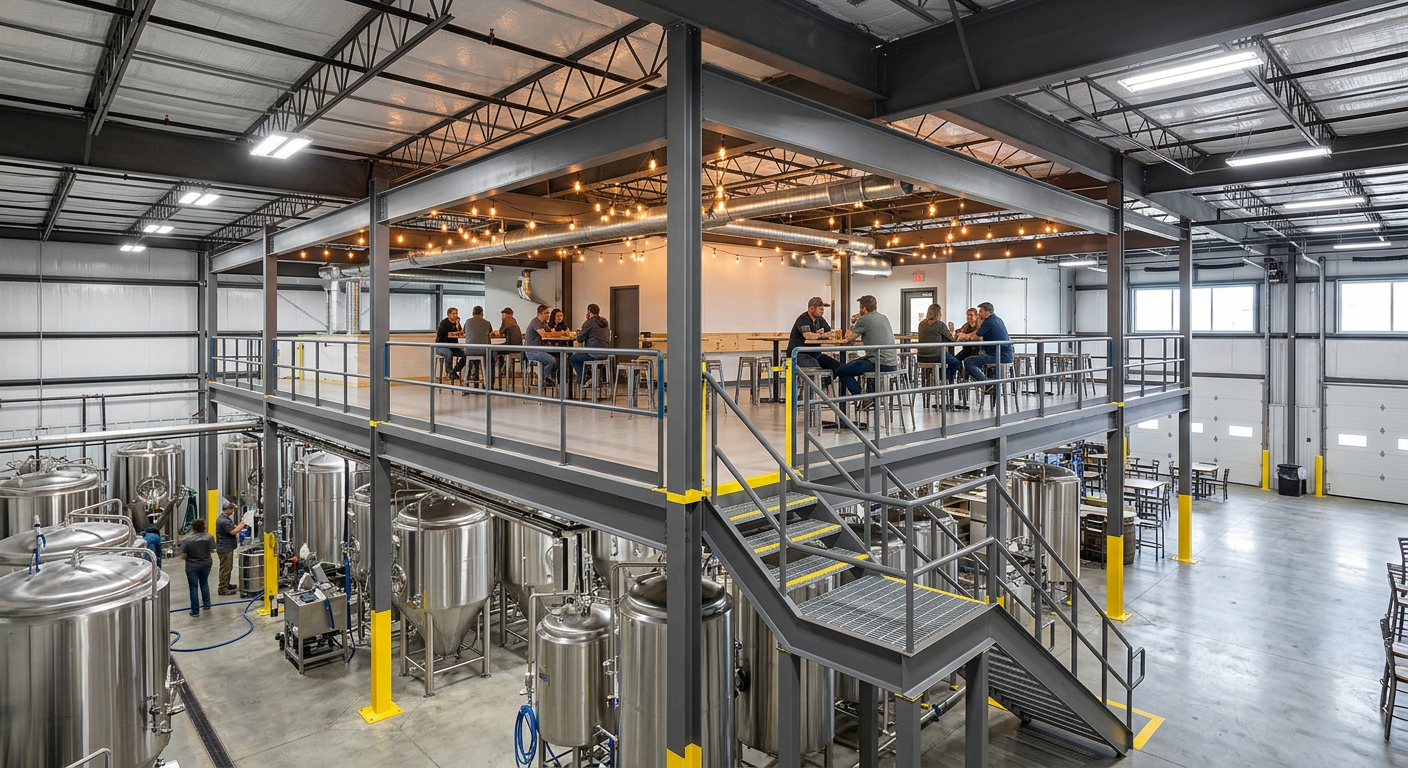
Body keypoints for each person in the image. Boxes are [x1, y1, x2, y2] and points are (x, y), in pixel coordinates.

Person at [835, 295, 898, 403]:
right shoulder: (883, 317)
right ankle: (871, 397)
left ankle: (862, 397)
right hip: (892, 363)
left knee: (841, 371)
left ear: (863, 308)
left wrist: (853, 323)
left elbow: (848, 338)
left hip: (878, 363)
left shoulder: (864, 319)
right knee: (866, 360)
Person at [787, 296, 841, 383]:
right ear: (812, 308)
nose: (822, 311)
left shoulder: (820, 319)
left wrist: (820, 334)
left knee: (836, 366)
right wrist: (820, 335)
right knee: (815, 368)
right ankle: (814, 390)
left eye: (823, 309)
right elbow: (808, 335)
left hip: (815, 353)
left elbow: (830, 333)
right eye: (820, 309)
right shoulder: (803, 319)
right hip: (798, 354)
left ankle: (822, 386)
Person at [963, 301, 1014, 383]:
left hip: (998, 356)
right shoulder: (997, 319)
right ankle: (991, 384)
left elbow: (976, 336)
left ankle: (986, 382)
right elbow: (978, 332)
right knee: (979, 357)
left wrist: (964, 336)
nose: (979, 314)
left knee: (968, 361)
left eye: (980, 311)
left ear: (987, 312)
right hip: (1006, 354)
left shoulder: (988, 322)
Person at [178, 518, 216, 617]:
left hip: (192, 566)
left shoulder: (187, 540)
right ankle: (207, 604)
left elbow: (183, 556)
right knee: (204, 583)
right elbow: (212, 550)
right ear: (204, 527)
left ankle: (195, 611)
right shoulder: (209, 537)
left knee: (193, 587)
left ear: (193, 528)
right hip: (206, 564)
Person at [916, 303, 962, 384]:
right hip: (935, 356)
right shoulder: (939, 324)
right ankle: (945, 379)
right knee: (956, 363)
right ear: (938, 314)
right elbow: (951, 340)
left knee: (946, 362)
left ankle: (938, 378)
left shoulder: (921, 324)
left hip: (921, 357)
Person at [570, 303, 612, 385]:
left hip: (593, 353)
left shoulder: (589, 322)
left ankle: (584, 378)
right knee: (581, 356)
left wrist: (581, 331)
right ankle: (588, 374)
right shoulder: (604, 322)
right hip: (605, 354)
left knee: (573, 358)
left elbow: (579, 339)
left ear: (589, 312)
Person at [214, 500, 246, 596]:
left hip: (226, 547)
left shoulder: (224, 518)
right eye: (232, 510)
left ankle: (226, 584)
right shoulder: (224, 520)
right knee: (226, 569)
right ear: (227, 510)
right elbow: (233, 531)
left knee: (227, 567)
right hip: (225, 548)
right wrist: (243, 524)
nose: (233, 511)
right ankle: (223, 589)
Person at [524, 303, 558, 384]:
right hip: (532, 351)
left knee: (559, 357)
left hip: (540, 350)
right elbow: (544, 335)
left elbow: (551, 333)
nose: (548, 315)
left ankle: (549, 377)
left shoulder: (544, 324)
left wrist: (560, 333)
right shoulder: (536, 322)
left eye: (548, 313)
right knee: (552, 360)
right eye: (545, 313)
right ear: (539, 314)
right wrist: (554, 333)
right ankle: (545, 377)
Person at [463, 305, 493, 384]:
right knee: (490, 357)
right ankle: (488, 384)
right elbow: (490, 334)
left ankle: (467, 383)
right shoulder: (487, 323)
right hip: (483, 351)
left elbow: (464, 332)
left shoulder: (468, 322)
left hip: (470, 350)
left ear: (473, 313)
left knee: (469, 360)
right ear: (482, 313)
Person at [435, 307, 466, 382]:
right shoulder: (444, 323)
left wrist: (459, 328)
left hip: (453, 346)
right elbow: (440, 334)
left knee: (465, 354)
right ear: (448, 314)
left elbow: (459, 332)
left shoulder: (457, 323)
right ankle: (449, 372)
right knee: (449, 353)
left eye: (456, 314)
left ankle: (455, 370)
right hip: (442, 345)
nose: (455, 315)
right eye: (453, 314)